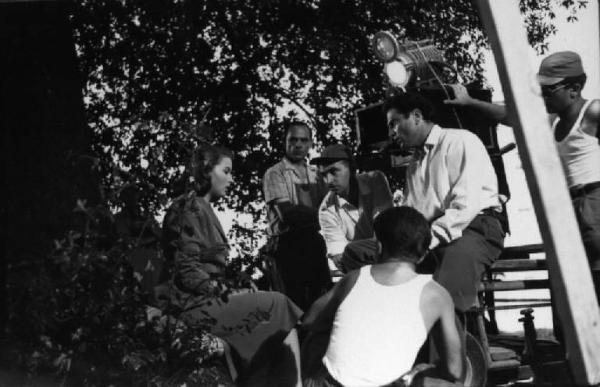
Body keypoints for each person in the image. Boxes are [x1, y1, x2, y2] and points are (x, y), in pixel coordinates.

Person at [444, 50, 600, 298]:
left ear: (574, 88)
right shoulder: (552, 120)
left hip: (593, 200)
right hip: (567, 208)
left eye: (549, 90)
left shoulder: (592, 112)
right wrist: (470, 102)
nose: (543, 96)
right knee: (568, 285)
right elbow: (509, 115)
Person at [162, 144, 303, 387]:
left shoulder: (203, 209)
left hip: (209, 300)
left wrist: (236, 282)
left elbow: (209, 267)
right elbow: (187, 272)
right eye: (226, 171)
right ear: (207, 171)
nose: (231, 179)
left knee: (268, 303)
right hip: (194, 306)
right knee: (278, 304)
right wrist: (226, 292)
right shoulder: (187, 208)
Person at [302, 206, 463, 387]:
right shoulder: (438, 295)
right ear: (424, 255)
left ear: (378, 247)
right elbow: (454, 370)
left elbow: (309, 320)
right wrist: (421, 370)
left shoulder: (354, 278)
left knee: (317, 336)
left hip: (330, 383)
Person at [384, 92, 505, 313]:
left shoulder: (459, 141)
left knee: (444, 291)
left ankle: (456, 342)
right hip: (436, 234)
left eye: (394, 124)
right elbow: (415, 215)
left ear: (417, 116)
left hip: (476, 226)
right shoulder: (413, 165)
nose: (392, 133)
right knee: (392, 281)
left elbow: (465, 207)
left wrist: (425, 242)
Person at [262, 122, 331, 309]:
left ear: (310, 144)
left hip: (314, 243)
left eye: (303, 140)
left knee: (321, 301)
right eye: (293, 139)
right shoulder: (275, 173)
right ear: (285, 142)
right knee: (292, 306)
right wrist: (324, 216)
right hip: (286, 245)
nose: (298, 144)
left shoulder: (318, 174)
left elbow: (333, 209)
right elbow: (289, 214)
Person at [310, 144, 394, 272]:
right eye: (324, 175)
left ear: (351, 168)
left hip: (391, 261)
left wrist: (356, 252)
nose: (328, 181)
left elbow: (386, 234)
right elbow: (340, 259)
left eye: (334, 171)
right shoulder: (326, 210)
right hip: (361, 272)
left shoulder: (375, 180)